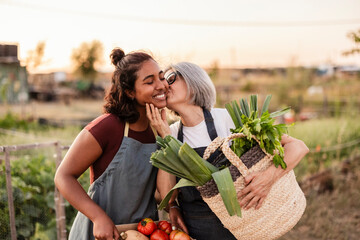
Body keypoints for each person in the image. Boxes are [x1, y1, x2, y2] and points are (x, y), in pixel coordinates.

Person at [146, 62, 309, 240]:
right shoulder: (172, 133)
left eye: (170, 78)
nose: (164, 86)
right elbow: (167, 196)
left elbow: (298, 147)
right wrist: (165, 139)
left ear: (193, 82)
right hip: (198, 231)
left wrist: (268, 178)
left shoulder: (229, 118)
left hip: (243, 228)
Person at [54, 48, 168, 240]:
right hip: (99, 233)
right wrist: (98, 217)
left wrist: (166, 139)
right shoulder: (107, 127)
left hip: (140, 234)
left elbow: (160, 195)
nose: (161, 85)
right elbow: (63, 176)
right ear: (130, 91)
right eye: (149, 81)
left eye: (161, 77)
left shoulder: (159, 131)